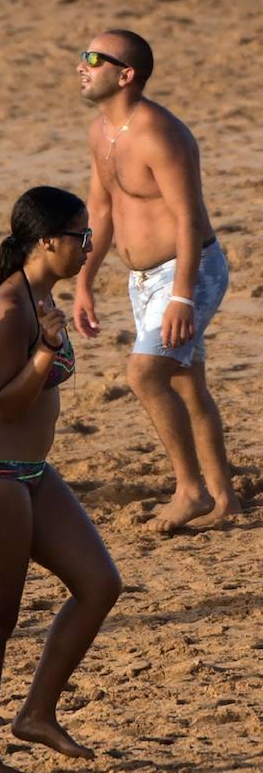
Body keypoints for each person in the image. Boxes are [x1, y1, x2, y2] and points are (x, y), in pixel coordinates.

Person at [0, 187, 122, 773]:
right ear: (47, 240)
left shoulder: (41, 294)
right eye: (81, 236)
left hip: (30, 473)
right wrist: (46, 350)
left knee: (99, 583)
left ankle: (37, 711)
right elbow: (5, 405)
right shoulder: (7, 310)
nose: (89, 246)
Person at [74, 29, 241, 532]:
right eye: (83, 55)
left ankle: (189, 489)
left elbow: (190, 218)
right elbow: (100, 211)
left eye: (94, 58)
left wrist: (182, 297)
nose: (81, 65)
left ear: (125, 75)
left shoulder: (159, 134)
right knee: (188, 385)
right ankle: (225, 499)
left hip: (189, 272)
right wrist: (84, 280)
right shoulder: (101, 131)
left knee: (146, 374)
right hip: (142, 279)